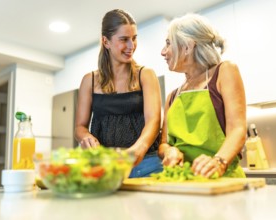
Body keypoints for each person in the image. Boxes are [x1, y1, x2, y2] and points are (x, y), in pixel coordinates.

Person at [75, 9, 163, 178]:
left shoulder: (145, 75)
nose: (131, 46)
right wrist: (85, 138)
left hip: (146, 163)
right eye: (124, 39)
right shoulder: (89, 81)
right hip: (105, 166)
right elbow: (80, 126)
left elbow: (154, 120)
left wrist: (138, 150)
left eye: (134, 38)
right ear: (106, 41)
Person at [158, 13, 246, 178]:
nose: (163, 52)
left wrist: (219, 162)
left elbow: (238, 129)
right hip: (183, 181)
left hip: (222, 179)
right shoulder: (172, 96)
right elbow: (163, 144)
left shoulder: (224, 72)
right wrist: (169, 151)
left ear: (188, 47)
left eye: (168, 43)